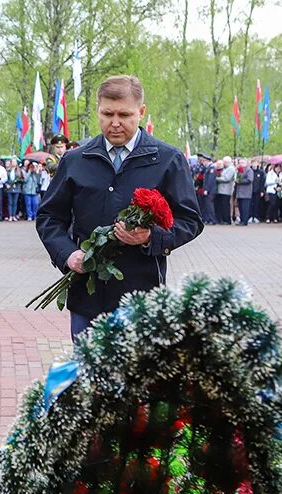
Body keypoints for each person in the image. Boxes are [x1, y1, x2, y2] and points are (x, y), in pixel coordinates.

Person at [36, 75, 203, 340]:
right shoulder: (75, 160)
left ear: (141, 112)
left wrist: (152, 237)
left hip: (142, 296)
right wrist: (67, 255)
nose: (115, 123)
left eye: (124, 115)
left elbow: (190, 220)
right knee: (89, 376)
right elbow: (49, 217)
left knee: (140, 378)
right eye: (107, 114)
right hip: (87, 297)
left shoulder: (168, 159)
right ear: (98, 110)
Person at [215, 156, 235, 224]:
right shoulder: (225, 168)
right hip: (221, 190)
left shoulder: (231, 169)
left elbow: (227, 178)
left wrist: (216, 178)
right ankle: (222, 219)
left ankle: (227, 220)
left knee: (225, 205)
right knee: (221, 205)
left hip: (226, 190)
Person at [234, 158, 253, 226]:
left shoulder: (249, 170)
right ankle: (242, 220)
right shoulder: (239, 170)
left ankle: (245, 221)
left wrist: (240, 181)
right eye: (240, 162)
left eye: (242, 162)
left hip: (246, 192)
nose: (241, 164)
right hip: (239, 192)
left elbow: (250, 179)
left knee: (245, 207)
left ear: (246, 163)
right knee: (240, 207)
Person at [251, 159, 266, 223]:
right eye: (253, 163)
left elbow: (262, 182)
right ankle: (250, 216)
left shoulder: (261, 172)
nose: (254, 164)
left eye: (256, 163)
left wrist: (262, 191)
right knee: (250, 204)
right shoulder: (250, 171)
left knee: (257, 204)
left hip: (258, 191)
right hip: (250, 191)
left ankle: (256, 216)